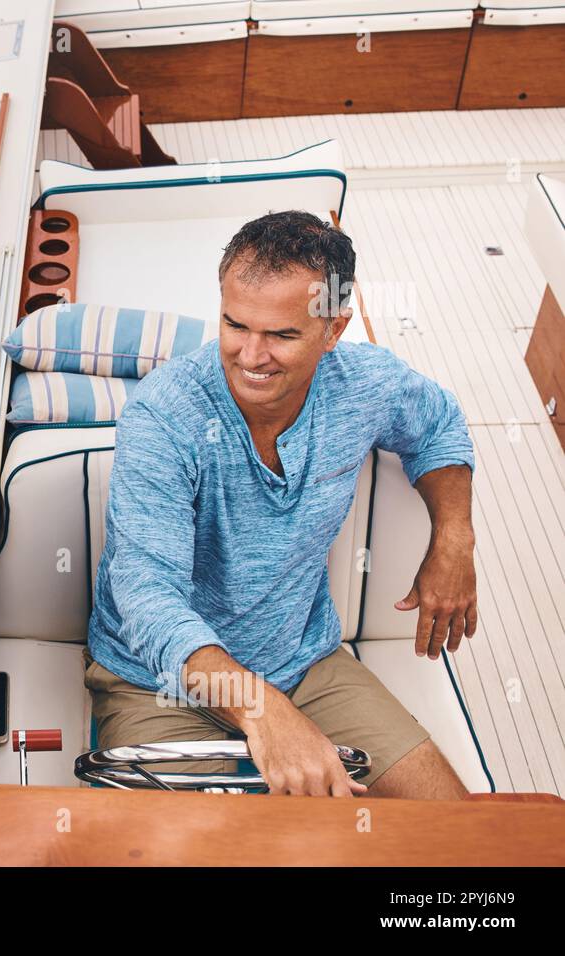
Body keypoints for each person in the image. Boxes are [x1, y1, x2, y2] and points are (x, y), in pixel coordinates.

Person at [85, 210, 477, 799]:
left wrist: (453, 540)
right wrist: (259, 708)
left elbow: (438, 425)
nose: (250, 355)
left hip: (306, 666)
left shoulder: (365, 383)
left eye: (282, 335)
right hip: (157, 685)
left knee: (455, 835)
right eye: (235, 325)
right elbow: (145, 596)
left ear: (333, 329)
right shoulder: (165, 416)